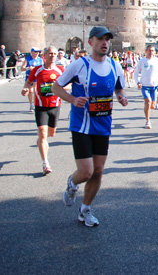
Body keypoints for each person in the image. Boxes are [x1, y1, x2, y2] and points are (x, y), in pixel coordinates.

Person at [51, 27, 128, 227]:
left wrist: (121, 96)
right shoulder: (79, 65)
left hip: (103, 125)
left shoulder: (115, 65)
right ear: (91, 42)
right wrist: (72, 99)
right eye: (100, 39)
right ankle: (72, 183)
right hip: (82, 125)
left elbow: (119, 86)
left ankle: (85, 210)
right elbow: (56, 87)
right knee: (86, 172)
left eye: (107, 40)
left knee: (98, 171)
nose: (105, 43)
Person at [22, 46, 64, 175]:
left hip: (55, 105)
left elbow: (68, 85)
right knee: (43, 133)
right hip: (40, 106)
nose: (53, 56)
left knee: (51, 134)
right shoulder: (37, 70)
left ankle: (41, 140)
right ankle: (45, 163)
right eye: (50, 53)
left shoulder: (60, 70)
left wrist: (57, 88)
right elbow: (28, 82)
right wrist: (25, 89)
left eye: (55, 54)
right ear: (44, 56)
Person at [134, 45, 158, 129]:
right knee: (148, 102)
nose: (151, 52)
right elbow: (135, 73)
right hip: (145, 86)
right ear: (146, 51)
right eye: (149, 50)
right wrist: (138, 82)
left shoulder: (157, 61)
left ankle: (148, 107)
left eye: (153, 51)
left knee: (152, 106)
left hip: (154, 86)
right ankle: (147, 121)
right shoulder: (142, 61)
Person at [22, 47, 44, 112]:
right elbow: (22, 68)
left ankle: (36, 104)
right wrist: (28, 68)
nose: (37, 53)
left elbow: (43, 67)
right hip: (29, 77)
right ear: (31, 52)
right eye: (35, 52)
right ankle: (31, 104)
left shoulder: (40, 60)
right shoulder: (28, 59)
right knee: (30, 91)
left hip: (37, 77)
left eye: (38, 52)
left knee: (36, 91)